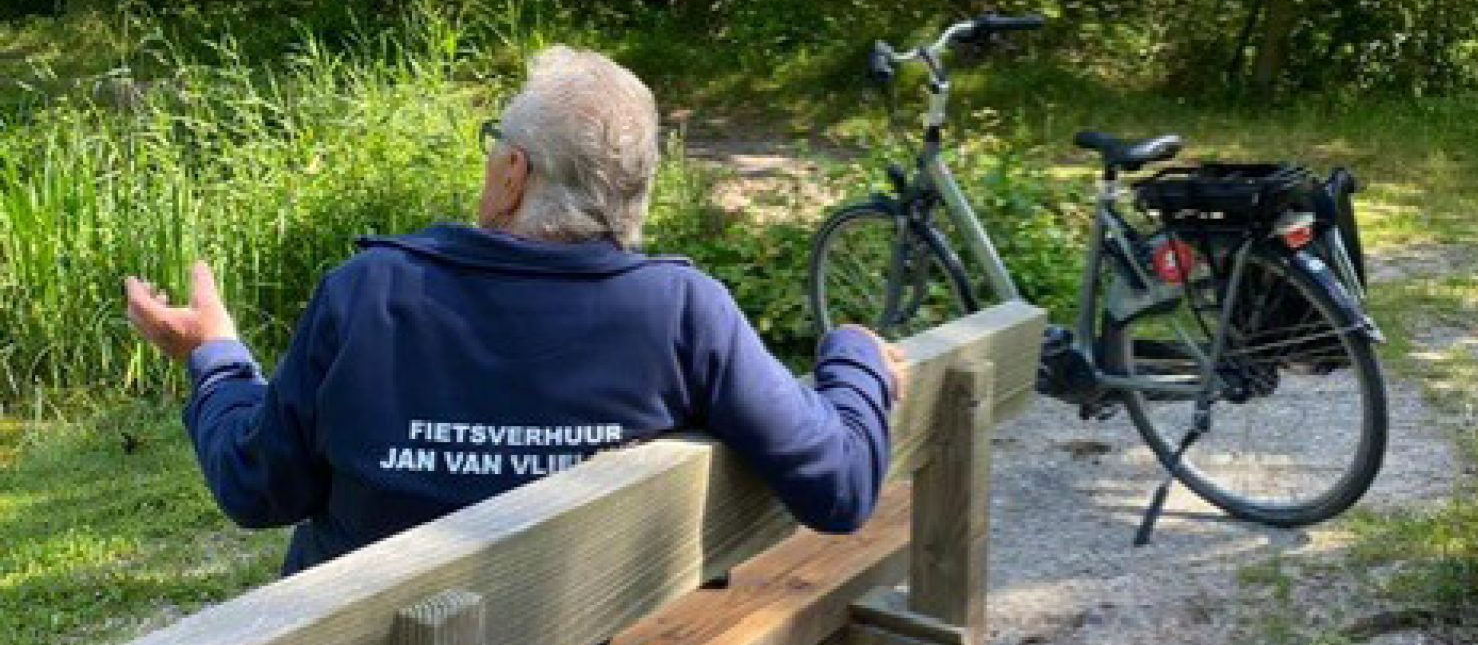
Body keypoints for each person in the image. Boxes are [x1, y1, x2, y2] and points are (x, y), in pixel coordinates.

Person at [124, 46, 906, 576]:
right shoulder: (680, 311)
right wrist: (854, 355)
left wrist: (214, 354)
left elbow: (259, 488)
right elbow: (837, 484)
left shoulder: (369, 292)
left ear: (512, 174)